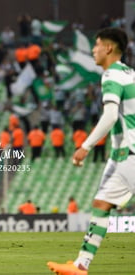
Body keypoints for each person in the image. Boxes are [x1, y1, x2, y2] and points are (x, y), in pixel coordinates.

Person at [48, 27, 135, 275]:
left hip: (129, 153)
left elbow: (109, 116)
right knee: (101, 203)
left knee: (102, 203)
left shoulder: (112, 75)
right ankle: (81, 264)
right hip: (124, 153)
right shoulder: (129, 73)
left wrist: (85, 146)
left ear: (109, 48)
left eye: (97, 45)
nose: (93, 49)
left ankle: (81, 264)